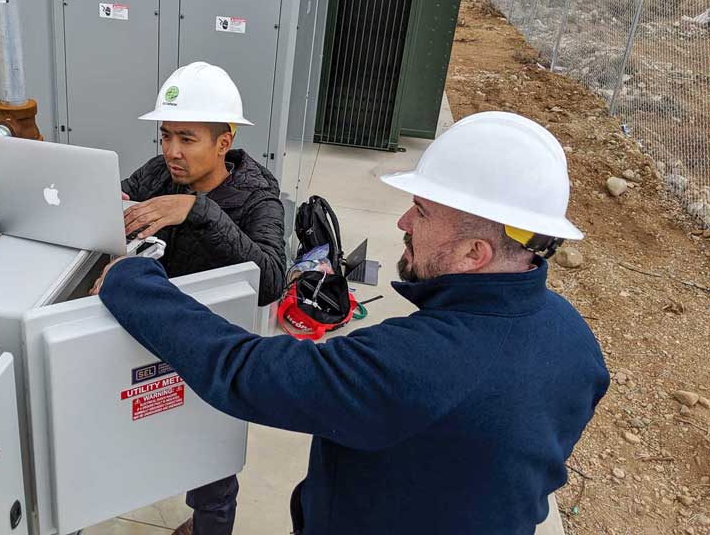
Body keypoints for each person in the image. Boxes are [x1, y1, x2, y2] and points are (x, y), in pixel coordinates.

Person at [95, 112, 610, 534]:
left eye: (421, 212)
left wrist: (133, 280)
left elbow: (243, 372)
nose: (402, 224)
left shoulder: (415, 363)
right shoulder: (574, 340)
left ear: (474, 253)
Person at [91, 61, 287, 535]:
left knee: (211, 462)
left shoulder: (257, 198)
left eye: (187, 138)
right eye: (165, 136)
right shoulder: (161, 172)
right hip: (152, 329)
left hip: (211, 347)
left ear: (225, 142)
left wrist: (199, 211)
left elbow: (272, 280)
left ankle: (208, 528)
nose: (171, 152)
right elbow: (115, 202)